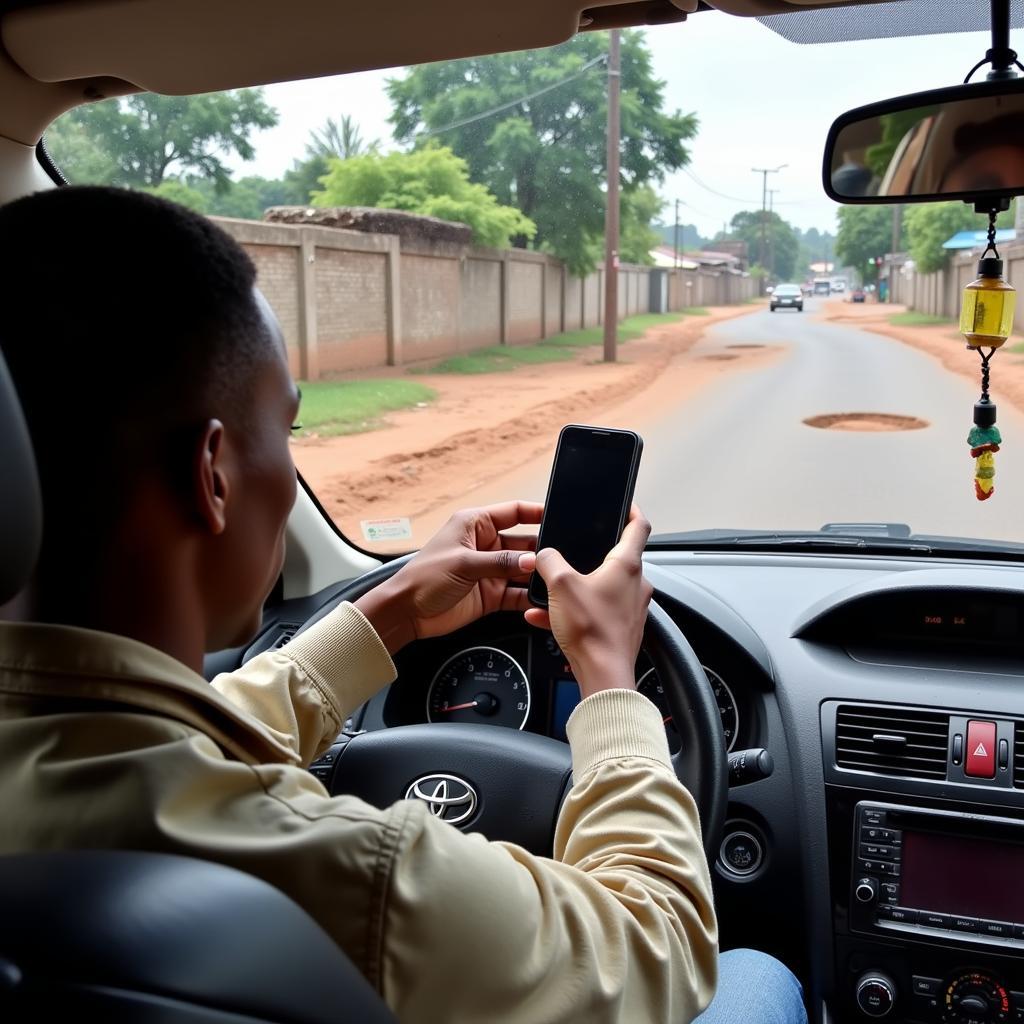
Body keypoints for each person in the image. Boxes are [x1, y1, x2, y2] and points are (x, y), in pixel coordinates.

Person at [0, 186, 805, 1024]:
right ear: (215, 475)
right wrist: (608, 678)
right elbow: (658, 951)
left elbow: (157, 743)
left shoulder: (66, 764)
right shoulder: (350, 877)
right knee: (756, 974)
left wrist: (392, 614)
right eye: (290, 430)